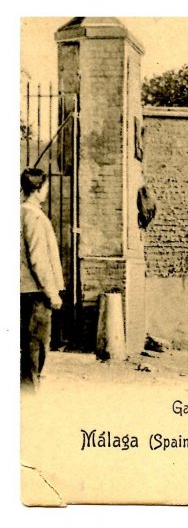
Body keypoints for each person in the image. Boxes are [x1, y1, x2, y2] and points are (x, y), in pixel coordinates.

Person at [20, 168, 64, 392]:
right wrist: (52, 293)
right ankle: (29, 394)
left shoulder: (19, 213)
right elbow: (38, 259)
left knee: (27, 346)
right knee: (36, 346)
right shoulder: (35, 217)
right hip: (36, 292)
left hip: (23, 290)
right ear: (37, 190)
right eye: (45, 187)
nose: (47, 191)